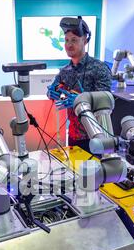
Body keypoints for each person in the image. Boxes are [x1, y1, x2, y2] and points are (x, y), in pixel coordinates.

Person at [47, 16, 112, 152]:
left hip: (95, 136)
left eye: (74, 40)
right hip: (73, 136)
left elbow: (106, 103)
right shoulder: (64, 71)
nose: (69, 45)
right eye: (66, 40)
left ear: (85, 40)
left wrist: (79, 100)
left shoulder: (99, 68)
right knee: (76, 171)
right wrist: (52, 93)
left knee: (95, 173)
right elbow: (59, 93)